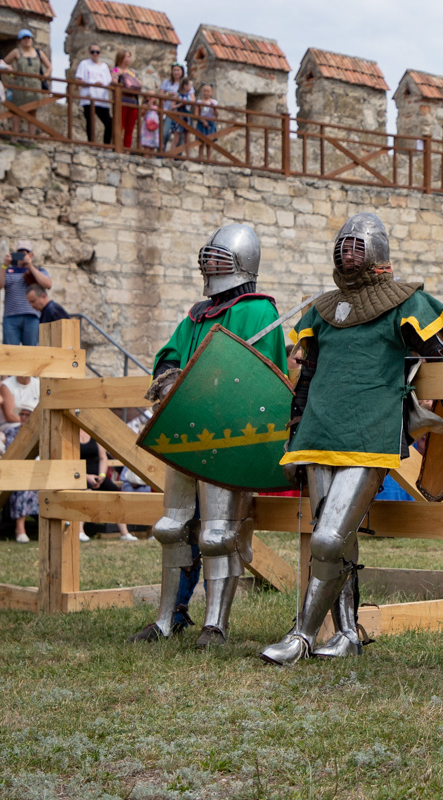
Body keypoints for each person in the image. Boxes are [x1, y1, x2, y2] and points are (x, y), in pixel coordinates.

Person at [261, 213, 443, 666]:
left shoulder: (406, 303)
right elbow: (307, 379)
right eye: (343, 245)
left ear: (376, 252)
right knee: (339, 539)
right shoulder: (322, 309)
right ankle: (346, 634)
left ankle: (301, 636)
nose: (347, 253)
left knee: (327, 539)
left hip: (370, 435)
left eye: (357, 245)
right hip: (318, 435)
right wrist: (294, 437)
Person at [129, 223, 287, 647]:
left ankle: (215, 625)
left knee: (218, 532)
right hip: (186, 430)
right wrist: (170, 379)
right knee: (172, 527)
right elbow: (170, 356)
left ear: (241, 263)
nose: (210, 264)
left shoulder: (259, 312)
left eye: (220, 258)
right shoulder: (196, 314)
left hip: (229, 436)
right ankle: (169, 618)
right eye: (209, 257)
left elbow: (261, 380)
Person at [0, 239, 50, 346]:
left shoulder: (39, 271)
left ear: (31, 255)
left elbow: (47, 284)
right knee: (10, 352)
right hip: (11, 317)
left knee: (31, 351)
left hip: (32, 316)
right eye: (19, 253)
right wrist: (4, 265)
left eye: (25, 253)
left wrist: (30, 266)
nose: (21, 255)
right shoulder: (8, 271)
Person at [1, 29, 48, 136]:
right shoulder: (16, 52)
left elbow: (49, 67)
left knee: (32, 112)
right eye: (24, 38)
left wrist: (44, 77)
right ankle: (15, 137)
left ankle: (31, 138)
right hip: (20, 85)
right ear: (20, 40)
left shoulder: (38, 52)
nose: (27, 40)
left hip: (35, 86)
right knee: (16, 112)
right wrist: (11, 74)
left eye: (29, 38)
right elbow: (3, 64)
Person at [3, 400, 37, 542]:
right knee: (22, 488)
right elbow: (10, 454)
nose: (23, 417)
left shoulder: (39, 433)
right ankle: (20, 529)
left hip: (37, 471)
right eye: (22, 414)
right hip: (16, 472)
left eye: (27, 415)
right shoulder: (12, 432)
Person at [74, 43, 112, 144]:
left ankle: (107, 145)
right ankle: (91, 144)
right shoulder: (84, 64)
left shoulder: (104, 66)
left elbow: (109, 81)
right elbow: (78, 80)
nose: (95, 54)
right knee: (90, 122)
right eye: (93, 52)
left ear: (100, 53)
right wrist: (92, 84)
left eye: (97, 52)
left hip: (102, 99)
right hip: (89, 98)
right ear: (89, 53)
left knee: (109, 123)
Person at [112, 49, 141, 149]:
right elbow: (114, 81)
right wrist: (119, 75)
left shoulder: (131, 72)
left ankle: (127, 149)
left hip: (132, 101)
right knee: (120, 125)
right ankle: (117, 147)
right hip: (121, 100)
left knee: (130, 128)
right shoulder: (116, 70)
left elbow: (139, 83)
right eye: (126, 56)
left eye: (129, 57)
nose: (129, 59)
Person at [159, 62, 190, 150]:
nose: (176, 72)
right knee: (165, 132)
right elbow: (160, 94)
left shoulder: (185, 83)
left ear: (182, 72)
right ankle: (161, 153)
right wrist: (168, 94)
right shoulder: (167, 82)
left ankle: (176, 155)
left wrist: (179, 98)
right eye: (174, 70)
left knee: (179, 136)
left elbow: (191, 97)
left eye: (178, 70)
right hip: (168, 110)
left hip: (180, 112)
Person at [194, 83, 217, 159]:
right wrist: (203, 121)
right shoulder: (199, 102)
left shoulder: (214, 102)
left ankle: (209, 160)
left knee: (209, 143)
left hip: (211, 122)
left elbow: (216, 114)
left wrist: (214, 108)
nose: (206, 93)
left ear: (211, 92)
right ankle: (200, 159)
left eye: (208, 91)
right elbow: (196, 114)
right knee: (201, 142)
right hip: (201, 122)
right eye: (204, 91)